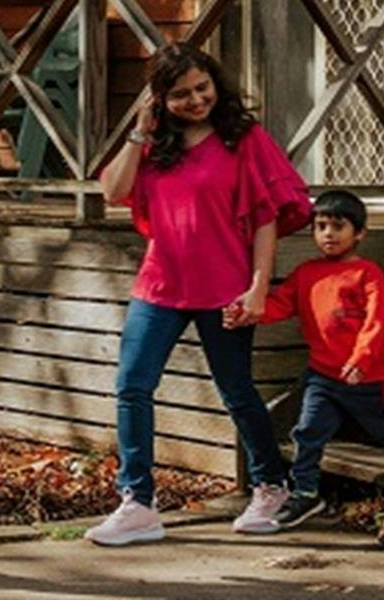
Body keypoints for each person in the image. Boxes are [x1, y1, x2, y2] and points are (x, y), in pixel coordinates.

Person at [87, 43, 312, 546]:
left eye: (202, 88)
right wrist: (139, 130)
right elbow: (114, 191)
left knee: (235, 389)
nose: (196, 100)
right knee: (132, 386)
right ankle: (138, 503)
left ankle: (271, 485)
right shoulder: (154, 144)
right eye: (181, 94)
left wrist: (258, 287)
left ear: (216, 83)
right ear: (161, 99)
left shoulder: (243, 138)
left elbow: (266, 217)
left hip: (226, 285)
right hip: (161, 283)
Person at [252, 189, 384, 529]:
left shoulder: (367, 274)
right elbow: (280, 304)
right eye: (321, 226)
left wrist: (362, 358)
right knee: (308, 431)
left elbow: (375, 322)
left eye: (338, 226)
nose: (328, 234)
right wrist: (251, 312)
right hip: (322, 376)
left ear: (359, 233)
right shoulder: (307, 273)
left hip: (367, 377)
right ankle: (305, 493)